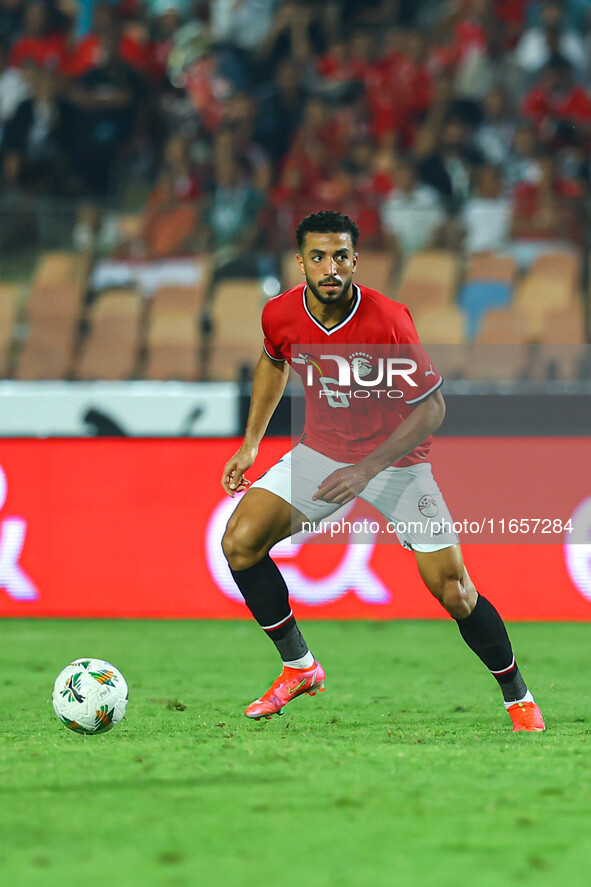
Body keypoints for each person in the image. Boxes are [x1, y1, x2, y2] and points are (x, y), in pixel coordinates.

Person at [220, 210, 545, 733]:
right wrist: (251, 444)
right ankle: (300, 667)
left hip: (397, 462)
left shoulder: (387, 319)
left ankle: (518, 697)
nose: (331, 267)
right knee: (240, 542)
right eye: (318, 256)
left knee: (456, 592)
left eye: (341, 256)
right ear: (300, 262)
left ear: (356, 260)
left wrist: (366, 470)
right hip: (321, 452)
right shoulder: (280, 315)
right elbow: (273, 360)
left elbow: (432, 408)